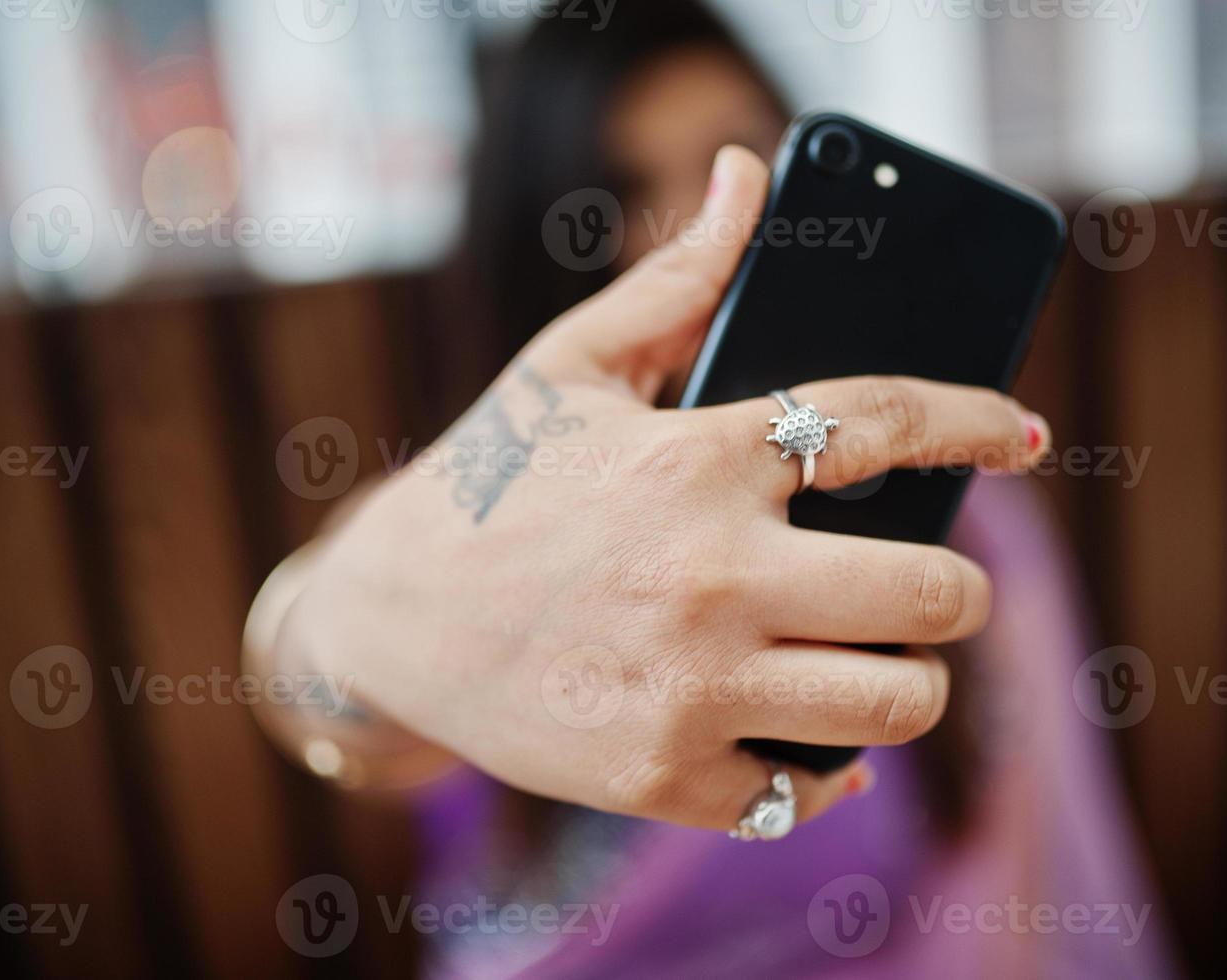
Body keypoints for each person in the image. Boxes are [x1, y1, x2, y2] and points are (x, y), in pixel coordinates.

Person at [244, 3, 1177, 975]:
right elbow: (332, 662)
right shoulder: (492, 494)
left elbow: (1029, 876)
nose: (689, 222)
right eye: (618, 192)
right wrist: (341, 619)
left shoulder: (956, 503)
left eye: (733, 155)